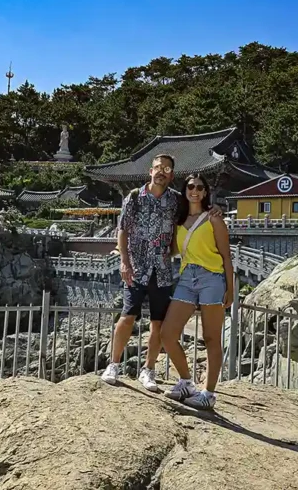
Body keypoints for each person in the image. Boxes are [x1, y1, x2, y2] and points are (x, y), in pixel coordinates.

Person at [101, 154, 221, 390]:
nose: (161, 172)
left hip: (162, 270)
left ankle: (148, 370)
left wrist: (214, 209)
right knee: (127, 316)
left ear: (171, 175)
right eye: (158, 167)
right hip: (136, 268)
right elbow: (122, 229)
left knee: (158, 322)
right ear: (150, 171)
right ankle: (113, 364)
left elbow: (196, 208)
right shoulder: (134, 197)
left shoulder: (176, 200)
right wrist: (124, 262)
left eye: (166, 169)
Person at [160, 173, 234, 409]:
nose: (195, 191)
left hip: (212, 278)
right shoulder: (179, 220)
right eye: (191, 186)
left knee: (211, 337)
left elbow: (226, 256)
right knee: (167, 334)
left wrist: (230, 289)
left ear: (205, 192)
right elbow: (173, 249)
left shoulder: (214, 219)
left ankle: (208, 393)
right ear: (185, 190)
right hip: (186, 277)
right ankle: (186, 382)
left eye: (200, 188)